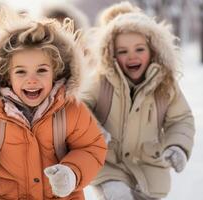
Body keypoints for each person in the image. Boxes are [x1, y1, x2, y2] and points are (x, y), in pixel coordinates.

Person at [0, 9, 107, 200]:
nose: (31, 80)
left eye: (41, 70)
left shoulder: (71, 110)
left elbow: (91, 147)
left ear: (56, 73)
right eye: (21, 72)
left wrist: (72, 172)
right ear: (6, 75)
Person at [83, 2, 195, 200]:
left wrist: (176, 146)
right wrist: (94, 130)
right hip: (108, 165)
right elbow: (79, 107)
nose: (131, 56)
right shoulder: (101, 81)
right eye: (122, 51)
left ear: (154, 50)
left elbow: (181, 119)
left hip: (148, 169)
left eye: (139, 49)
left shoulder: (165, 85)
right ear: (111, 54)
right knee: (118, 196)